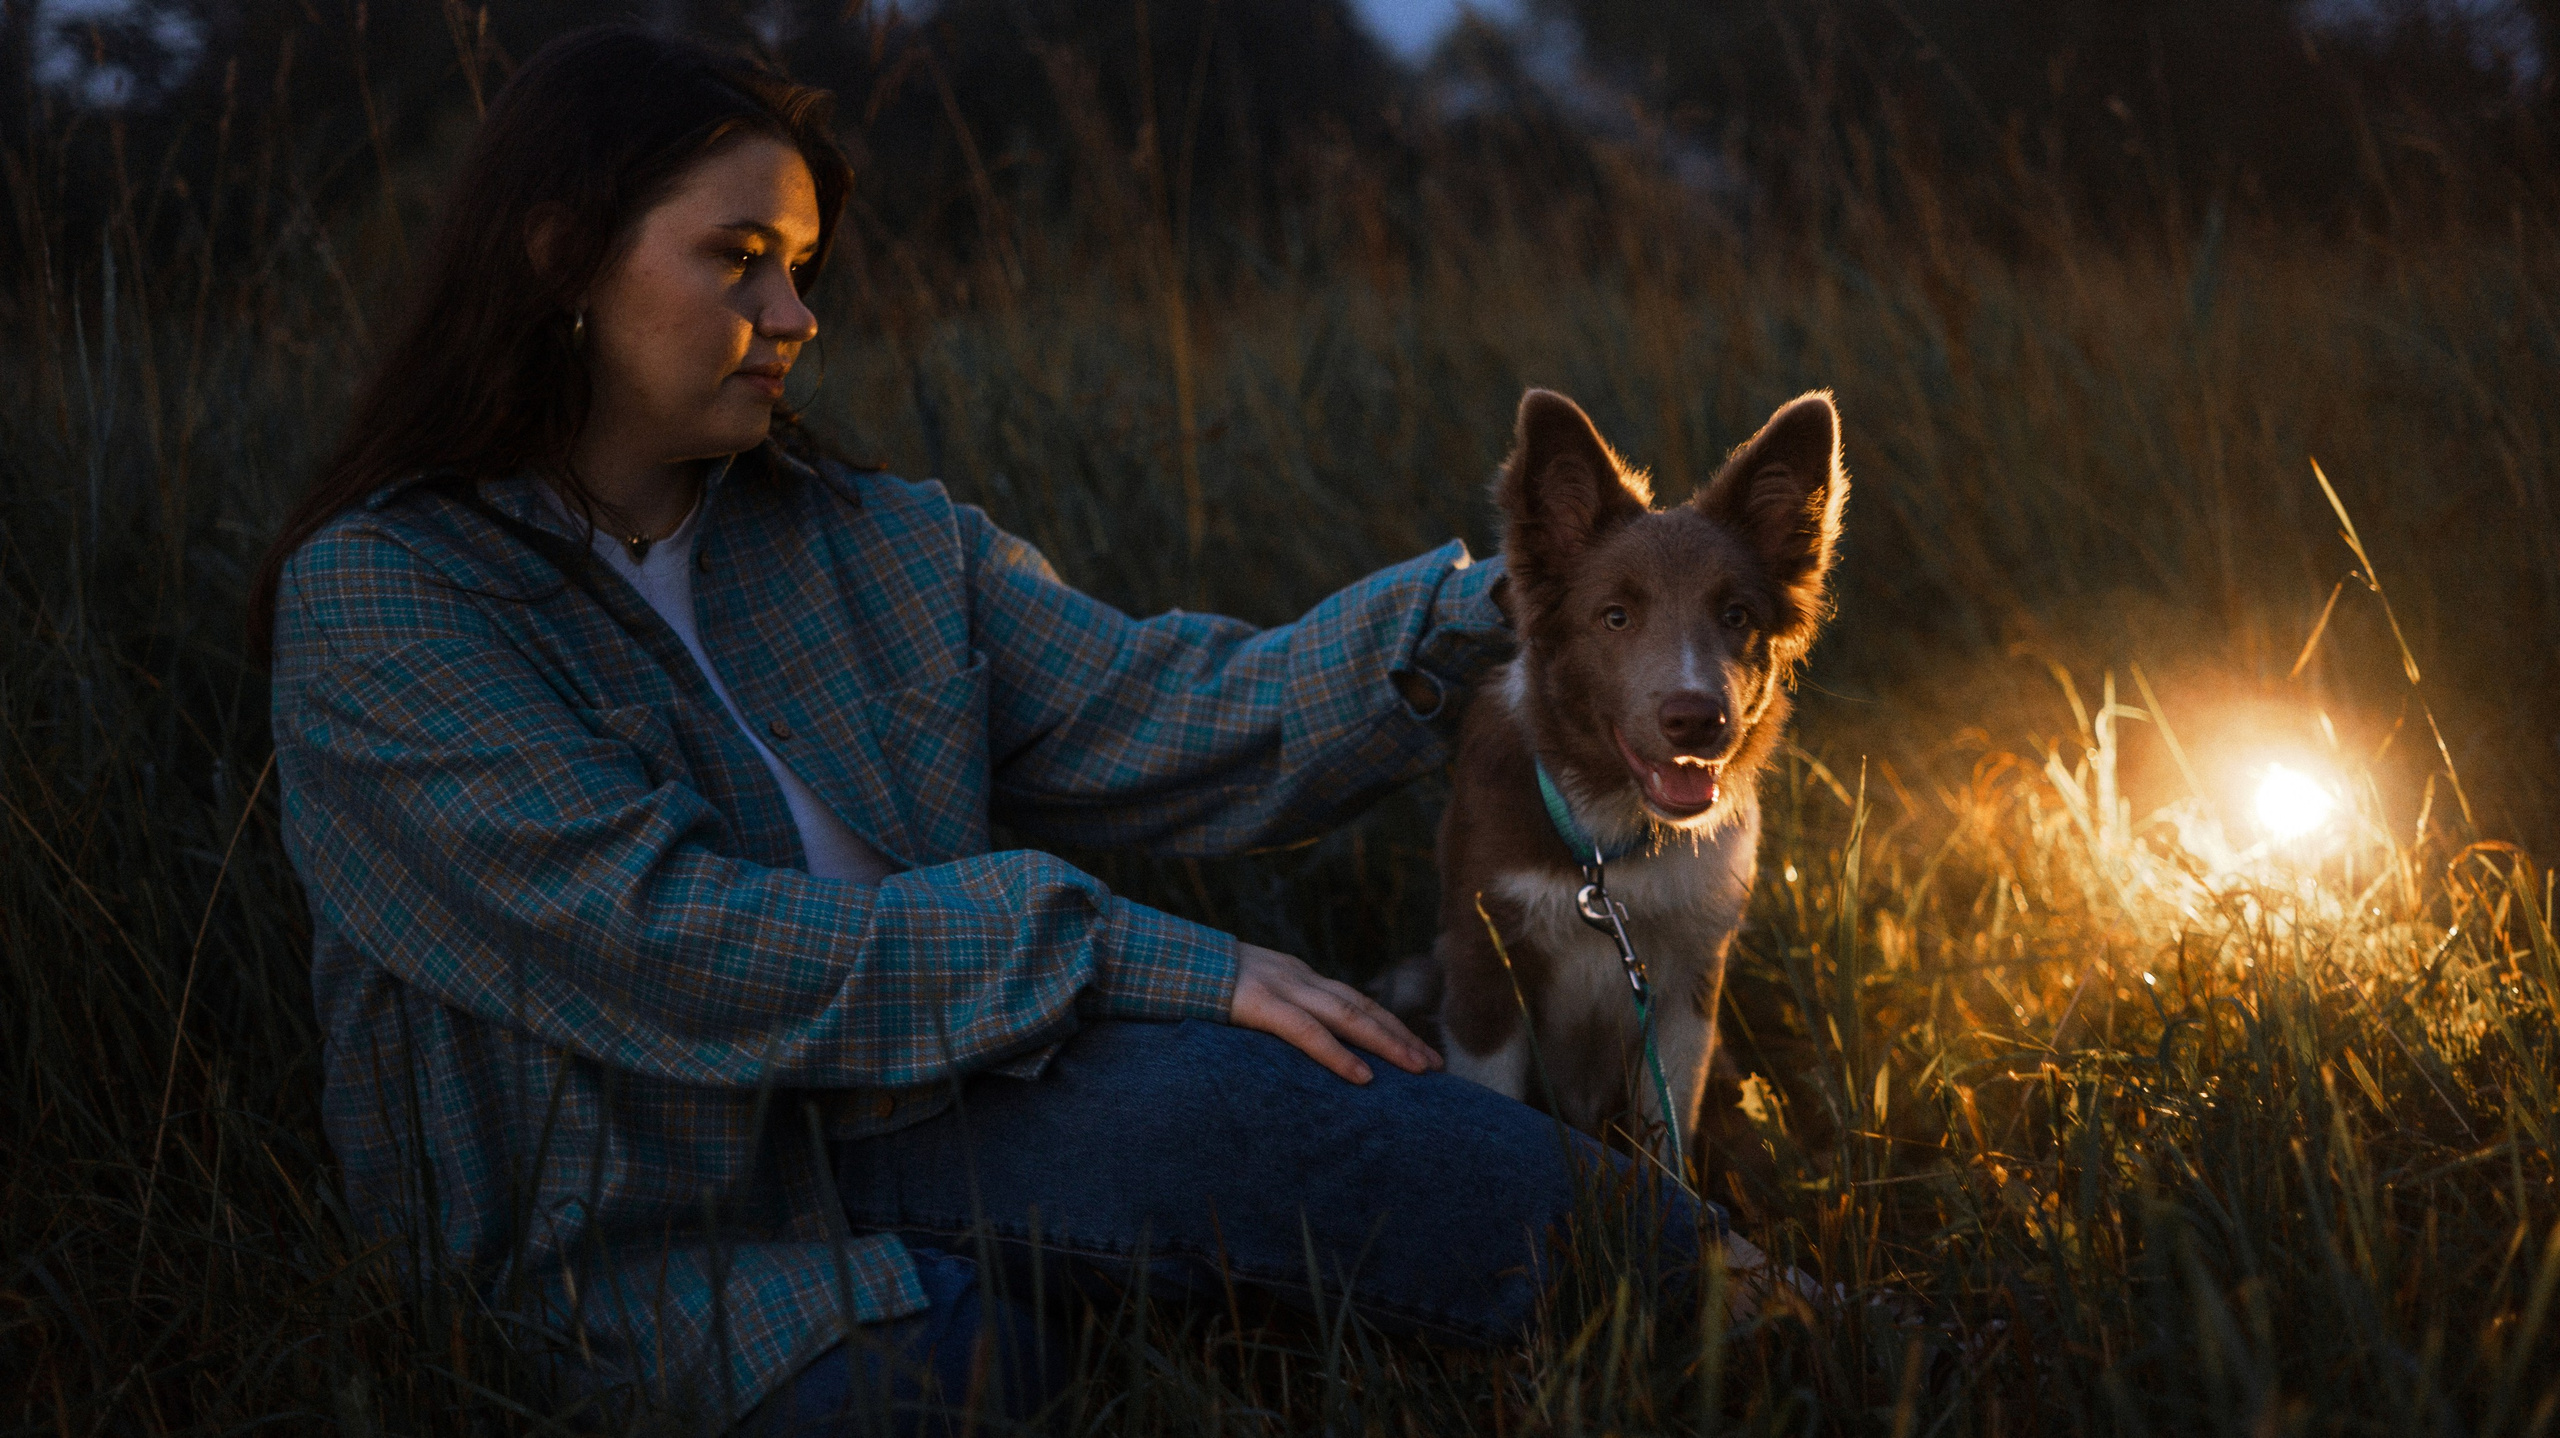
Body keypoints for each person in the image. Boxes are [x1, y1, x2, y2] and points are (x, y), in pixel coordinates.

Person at [248, 25, 1728, 1436]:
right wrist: (1123, 953)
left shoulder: (873, 543)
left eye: (806, 267)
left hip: (941, 1089)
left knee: (1290, 1101)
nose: (795, 317)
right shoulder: (387, 598)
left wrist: (1529, 606)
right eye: (739, 261)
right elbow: (662, 940)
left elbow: (1170, 707)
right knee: (968, 1368)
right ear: (559, 250)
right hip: (638, 1222)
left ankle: (1752, 1306)